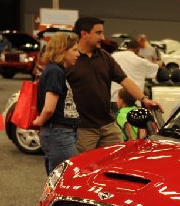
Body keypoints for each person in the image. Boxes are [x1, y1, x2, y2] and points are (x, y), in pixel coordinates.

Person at [66, 16, 161, 153]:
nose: (103, 37)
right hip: (83, 129)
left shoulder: (105, 57)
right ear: (84, 34)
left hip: (108, 125)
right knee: (83, 169)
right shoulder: (70, 59)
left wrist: (144, 99)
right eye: (98, 33)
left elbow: (125, 80)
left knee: (116, 161)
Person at [32, 32, 80, 175]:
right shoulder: (55, 71)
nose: (78, 54)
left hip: (60, 132)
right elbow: (49, 108)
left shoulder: (56, 70)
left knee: (58, 177)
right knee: (67, 177)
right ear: (62, 50)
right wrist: (40, 121)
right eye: (74, 50)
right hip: (58, 133)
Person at [110, 39, 159, 110]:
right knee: (133, 120)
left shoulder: (113, 56)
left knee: (117, 120)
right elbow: (156, 70)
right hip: (135, 100)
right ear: (137, 49)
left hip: (114, 99)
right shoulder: (141, 61)